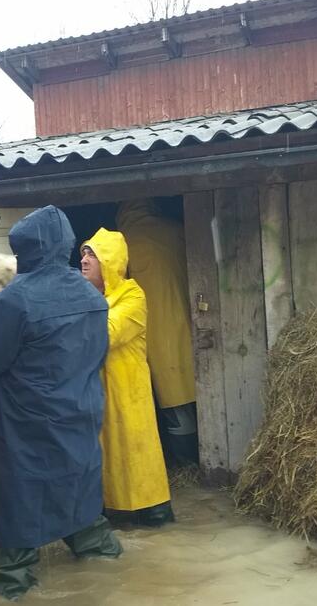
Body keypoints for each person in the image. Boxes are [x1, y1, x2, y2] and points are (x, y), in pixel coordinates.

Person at [0, 206, 122, 601]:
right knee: (82, 500)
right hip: (81, 417)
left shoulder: (15, 300)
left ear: (24, 250)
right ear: (65, 244)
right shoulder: (92, 296)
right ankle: (107, 564)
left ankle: (11, 581)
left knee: (20, 515)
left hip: (28, 429)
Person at [81, 228, 173, 526]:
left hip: (129, 392)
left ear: (111, 260)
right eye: (83, 252)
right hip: (97, 392)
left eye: (92, 254)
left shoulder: (133, 294)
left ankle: (154, 511)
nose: (84, 259)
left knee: (136, 452)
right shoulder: (83, 297)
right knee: (107, 454)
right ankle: (113, 512)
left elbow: (105, 332)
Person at [116, 199, 198, 465]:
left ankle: (182, 463)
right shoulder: (175, 229)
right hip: (188, 318)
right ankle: (200, 459)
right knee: (190, 391)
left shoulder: (122, 243)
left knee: (167, 397)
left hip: (146, 330)